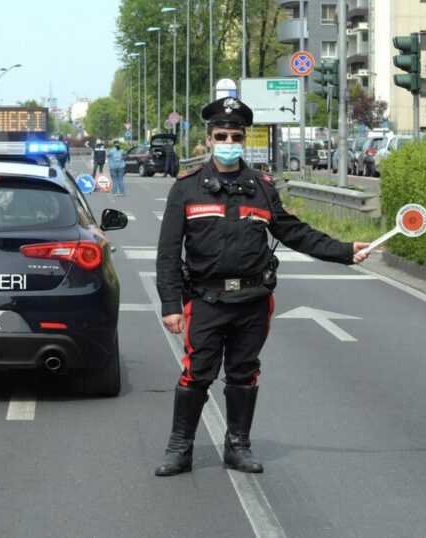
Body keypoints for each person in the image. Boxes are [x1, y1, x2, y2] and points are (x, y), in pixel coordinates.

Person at [153, 97, 371, 477]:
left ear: (244, 139)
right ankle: (179, 448)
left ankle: (238, 446)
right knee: (197, 373)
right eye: (221, 135)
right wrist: (171, 304)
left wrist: (345, 251)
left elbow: (294, 233)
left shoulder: (262, 188)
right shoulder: (187, 190)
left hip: (253, 301)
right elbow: (168, 253)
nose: (229, 141)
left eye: (236, 135)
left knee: (244, 373)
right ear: (208, 139)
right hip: (206, 299)